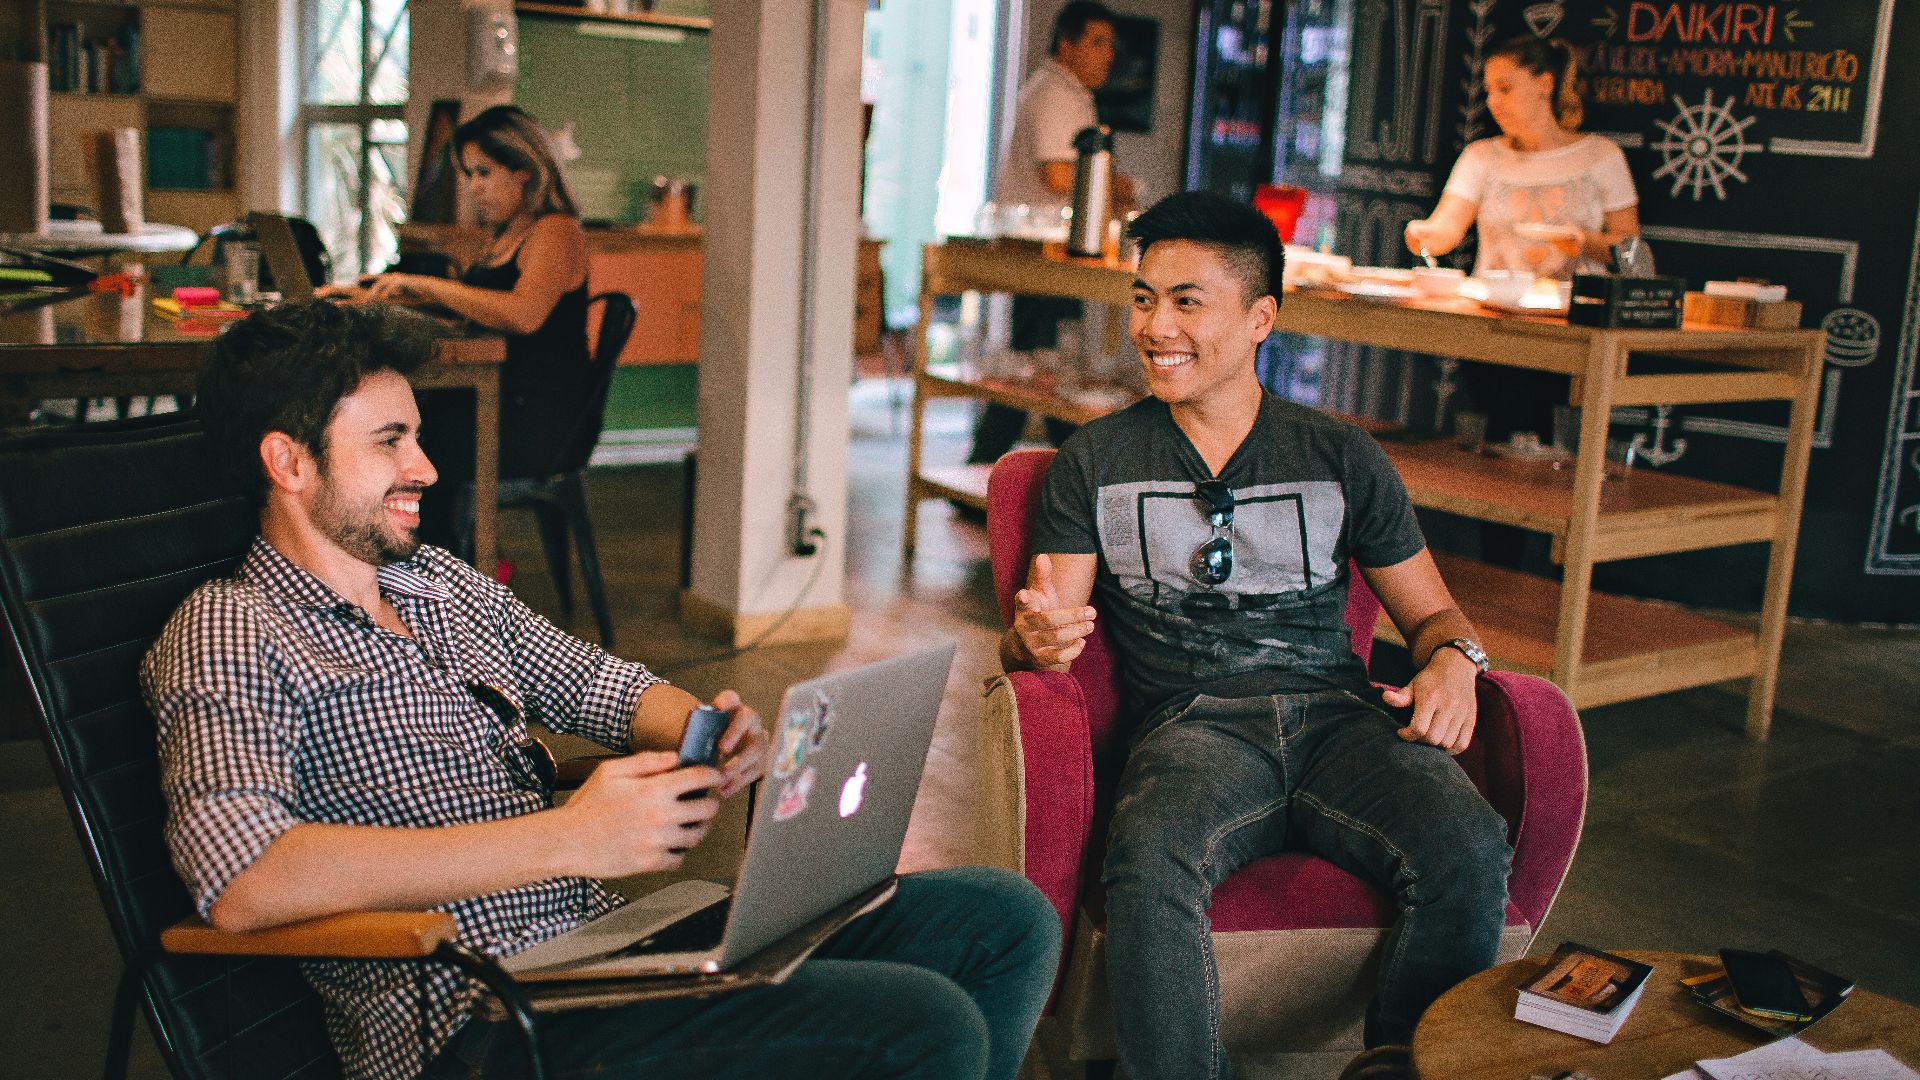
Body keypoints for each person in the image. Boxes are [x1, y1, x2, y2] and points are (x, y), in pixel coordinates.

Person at [144, 299, 1062, 1080]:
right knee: (923, 1025)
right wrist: (567, 837)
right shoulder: (233, 627)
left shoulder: (436, 582)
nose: (425, 467)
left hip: (600, 951)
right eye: (390, 442)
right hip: (478, 1016)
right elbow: (245, 879)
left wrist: (705, 728)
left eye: (418, 436)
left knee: (1001, 920)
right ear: (290, 463)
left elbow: (593, 682)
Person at [1002, 193, 1511, 1079]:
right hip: (1192, 729)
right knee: (1151, 862)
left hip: (1343, 722)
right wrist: (1034, 642)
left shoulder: (1340, 454)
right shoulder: (1096, 460)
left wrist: (1454, 664)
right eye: (1142, 298)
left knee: (1465, 843)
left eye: (1186, 301)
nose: (1154, 327)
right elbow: (1046, 635)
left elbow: (1434, 615)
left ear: (1260, 318)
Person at [320, 104, 596, 551]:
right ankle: (395, 563)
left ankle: (420, 568)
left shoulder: (557, 232)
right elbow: (478, 311)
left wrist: (420, 283)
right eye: (469, 174)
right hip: (499, 398)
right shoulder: (509, 233)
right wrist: (387, 296)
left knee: (402, 441)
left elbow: (522, 313)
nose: (473, 188)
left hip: (536, 418)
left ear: (523, 169)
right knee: (392, 429)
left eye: (483, 173)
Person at [967, 1, 1134, 467]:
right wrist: (1120, 185)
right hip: (1042, 252)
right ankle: (997, 476)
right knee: (1043, 372)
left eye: (1111, 46)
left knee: (1046, 370)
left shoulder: (1072, 93)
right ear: (1067, 44)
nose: (1108, 55)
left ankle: (1012, 474)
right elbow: (1061, 175)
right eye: (1097, 43)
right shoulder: (1055, 93)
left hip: (1057, 253)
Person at [1404, 36, 1639, 282]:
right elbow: (1446, 230)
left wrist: (1583, 241)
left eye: (1505, 89)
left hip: (1572, 312)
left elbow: (1630, 249)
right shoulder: (1480, 156)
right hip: (1492, 308)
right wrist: (1424, 235)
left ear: (1545, 84)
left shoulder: (1601, 155)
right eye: (1489, 91)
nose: (1493, 102)